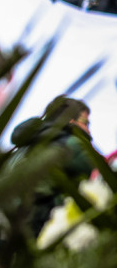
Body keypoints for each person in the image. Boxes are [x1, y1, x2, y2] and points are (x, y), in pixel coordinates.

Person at [11, 96, 94, 235]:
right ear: (70, 121)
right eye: (86, 123)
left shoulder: (30, 143)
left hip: (16, 220)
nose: (89, 131)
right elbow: (100, 176)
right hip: (43, 225)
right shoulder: (71, 144)